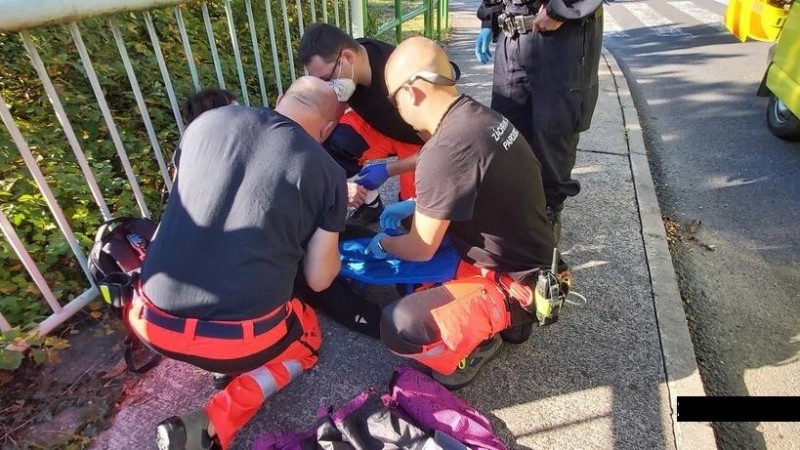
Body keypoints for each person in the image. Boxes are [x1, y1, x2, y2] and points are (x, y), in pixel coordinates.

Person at [130, 77, 346, 450]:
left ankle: (217, 364)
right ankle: (212, 422)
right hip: (236, 341)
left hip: (149, 318)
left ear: (279, 99)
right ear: (328, 128)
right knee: (307, 340)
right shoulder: (328, 172)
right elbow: (320, 278)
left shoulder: (205, 123)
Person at [369, 37, 563, 389]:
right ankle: (495, 313)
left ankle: (482, 339)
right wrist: (412, 206)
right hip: (531, 257)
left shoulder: (445, 149)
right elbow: (469, 184)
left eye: (394, 101)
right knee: (408, 280)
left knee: (400, 324)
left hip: (515, 284)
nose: (397, 112)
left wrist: (384, 243)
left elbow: (419, 248)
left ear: (412, 92)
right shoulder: (477, 117)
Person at [475, 0, 603, 241]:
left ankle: (546, 220)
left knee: (552, 134)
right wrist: (489, 16)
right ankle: (513, 212)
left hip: (563, 37)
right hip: (511, 34)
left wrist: (561, 9)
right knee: (507, 132)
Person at [299, 23, 426, 226]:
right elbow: (326, 122)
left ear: (347, 58)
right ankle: (371, 204)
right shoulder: (347, 71)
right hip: (381, 127)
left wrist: (389, 169)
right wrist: (338, 184)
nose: (327, 86)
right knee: (333, 144)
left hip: (420, 139)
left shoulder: (401, 76)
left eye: (327, 78)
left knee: (413, 222)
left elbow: (443, 146)